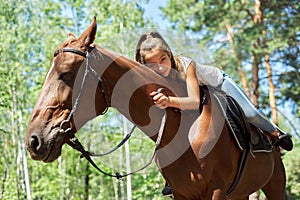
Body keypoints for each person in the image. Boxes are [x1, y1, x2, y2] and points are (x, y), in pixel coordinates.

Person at [134, 31, 293, 196]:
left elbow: (194, 101)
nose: (160, 67)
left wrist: (169, 101)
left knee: (249, 112)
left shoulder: (186, 64)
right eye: (153, 64)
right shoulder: (157, 78)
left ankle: (276, 133)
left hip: (219, 83)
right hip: (199, 92)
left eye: (163, 59)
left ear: (170, 55)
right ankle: (171, 179)